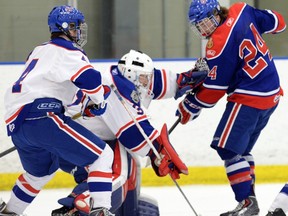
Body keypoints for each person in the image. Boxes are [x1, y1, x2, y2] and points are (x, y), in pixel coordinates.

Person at [50, 49, 209, 216]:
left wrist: (186, 80)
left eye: (147, 77)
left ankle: (71, 206)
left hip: (79, 139)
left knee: (106, 171)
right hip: (76, 140)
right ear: (131, 75)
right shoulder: (115, 89)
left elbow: (160, 82)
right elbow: (132, 134)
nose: (147, 83)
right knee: (119, 175)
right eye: (144, 78)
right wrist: (158, 151)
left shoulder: (131, 79)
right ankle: (80, 206)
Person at [1, 5, 115, 216]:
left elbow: (61, 93)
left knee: (39, 174)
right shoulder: (69, 51)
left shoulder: (39, 50)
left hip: (18, 124)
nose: (79, 31)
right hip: (43, 117)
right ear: (65, 27)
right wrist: (98, 100)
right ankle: (101, 210)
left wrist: (85, 106)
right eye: (75, 27)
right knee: (103, 155)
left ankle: (9, 212)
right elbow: (90, 79)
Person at [176, 0, 287, 216]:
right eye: (198, 26)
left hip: (250, 96)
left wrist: (190, 105)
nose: (202, 29)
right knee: (241, 151)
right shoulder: (242, 10)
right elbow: (278, 22)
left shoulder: (217, 43)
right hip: (271, 93)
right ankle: (249, 202)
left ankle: (247, 203)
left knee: (226, 148)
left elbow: (215, 90)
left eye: (205, 23)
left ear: (217, 14)